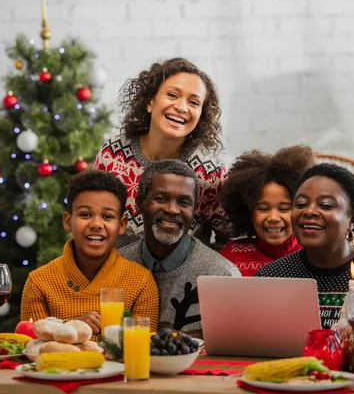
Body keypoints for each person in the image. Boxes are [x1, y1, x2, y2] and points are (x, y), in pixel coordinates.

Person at [94, 57, 230, 248]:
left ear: (201, 116)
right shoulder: (112, 154)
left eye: (193, 102)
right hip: (116, 274)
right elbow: (95, 218)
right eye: (173, 95)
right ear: (150, 101)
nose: (182, 107)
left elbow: (230, 237)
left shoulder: (210, 174)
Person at [256, 163, 354, 329]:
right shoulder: (270, 278)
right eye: (301, 204)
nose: (309, 211)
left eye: (326, 205)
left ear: (352, 220)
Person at [20, 170, 159, 333]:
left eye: (107, 217)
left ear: (121, 225)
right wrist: (69, 328)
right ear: (67, 221)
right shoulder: (38, 283)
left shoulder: (141, 282)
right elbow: (32, 351)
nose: (96, 224)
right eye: (85, 214)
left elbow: (144, 349)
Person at [119, 160, 240, 337]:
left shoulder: (222, 275)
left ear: (193, 210)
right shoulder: (117, 266)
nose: (172, 210)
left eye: (184, 202)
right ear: (139, 204)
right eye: (160, 199)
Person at [219, 145, 315, 276]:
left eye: (284, 208)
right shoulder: (231, 256)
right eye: (263, 208)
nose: (273, 217)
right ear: (249, 213)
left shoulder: (315, 254)